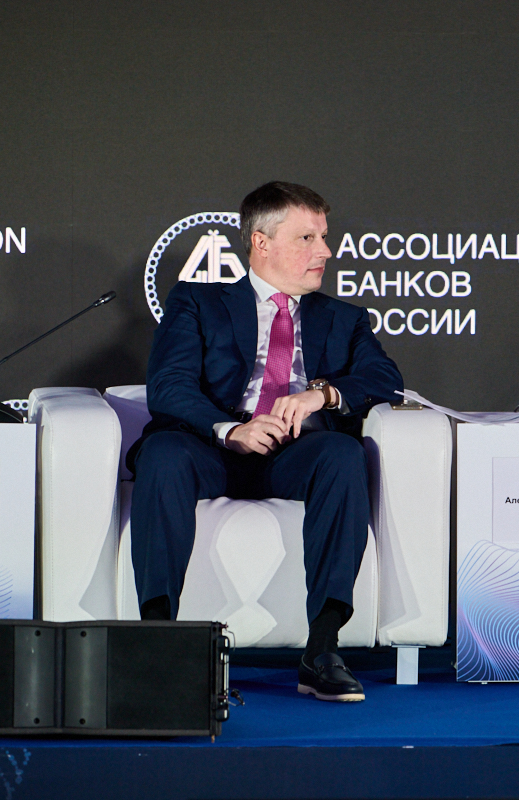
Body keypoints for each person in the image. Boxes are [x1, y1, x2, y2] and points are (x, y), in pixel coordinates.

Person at [127, 181, 403, 703]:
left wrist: (323, 394)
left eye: (324, 237)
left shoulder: (344, 318)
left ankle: (322, 650)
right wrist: (231, 429)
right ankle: (159, 644)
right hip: (210, 449)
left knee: (343, 455)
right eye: (307, 238)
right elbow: (169, 386)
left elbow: (386, 379)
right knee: (162, 454)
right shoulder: (197, 302)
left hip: (294, 455)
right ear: (262, 242)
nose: (325, 251)